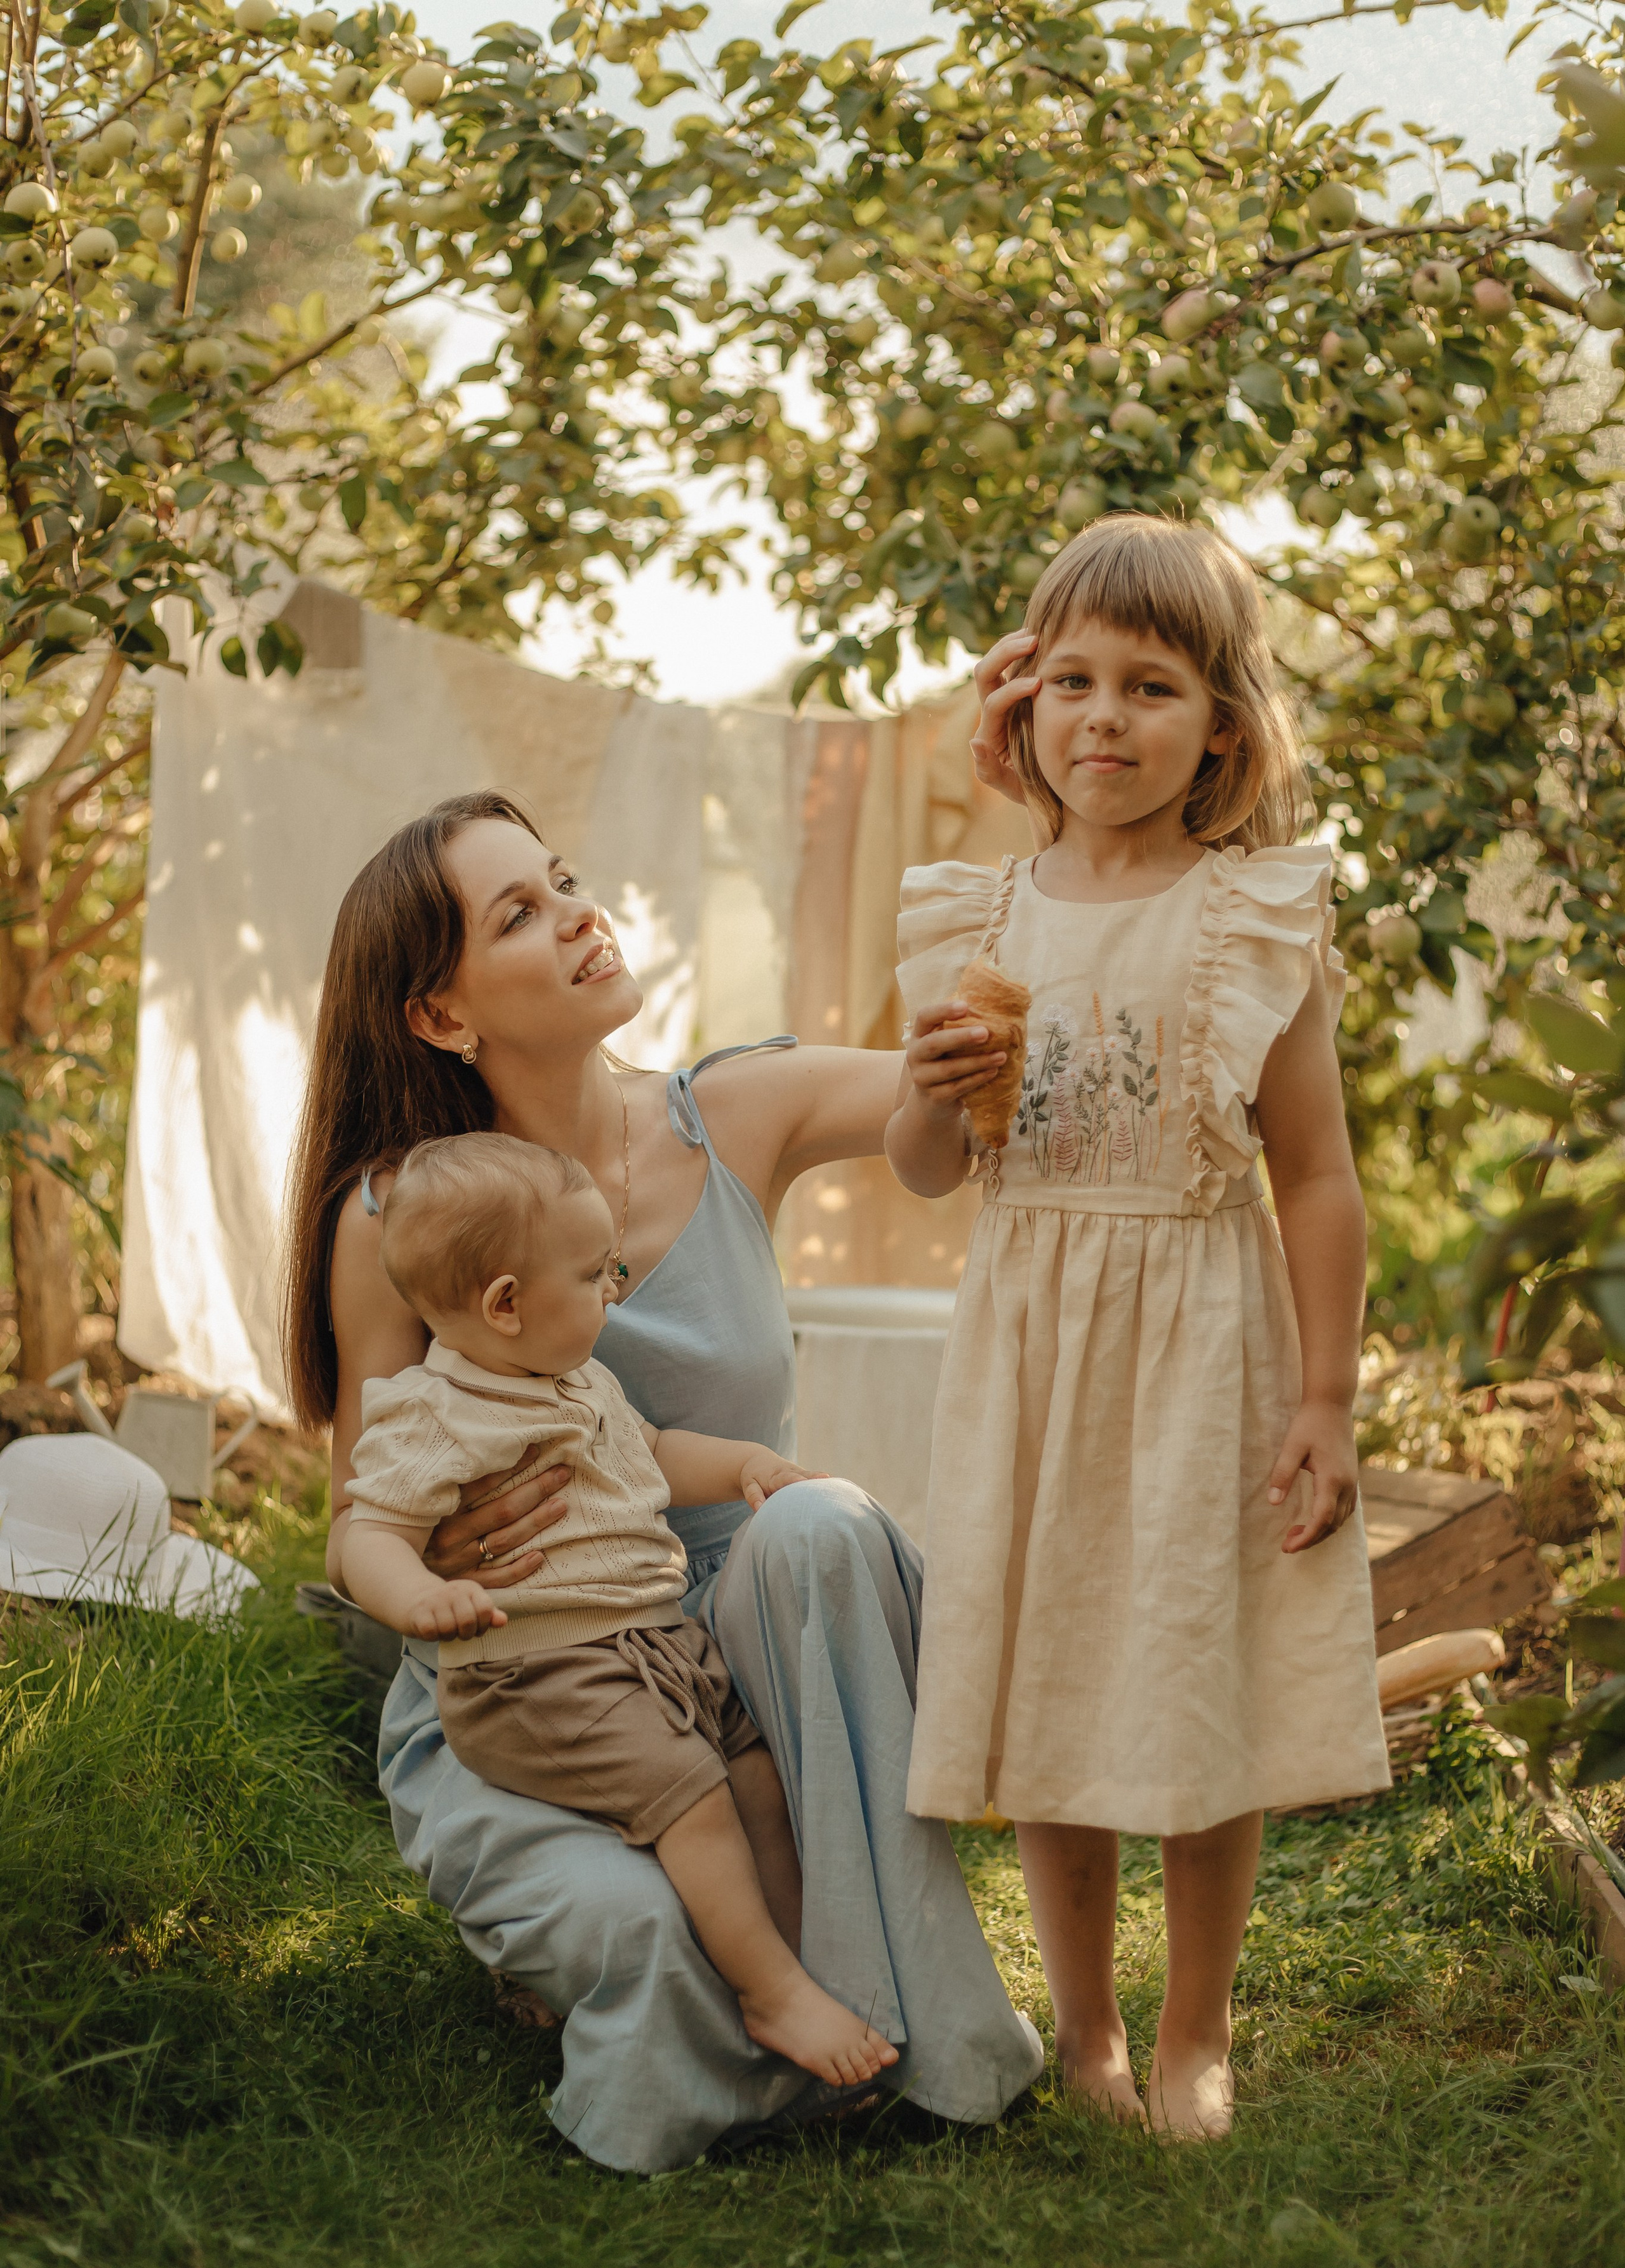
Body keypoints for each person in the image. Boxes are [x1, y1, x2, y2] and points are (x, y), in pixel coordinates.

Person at [281, 790, 1043, 2175]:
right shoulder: (397, 1222)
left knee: (817, 1519)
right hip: (536, 1680)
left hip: (750, 1650)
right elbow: (363, 1516)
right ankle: (714, 1969)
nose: (578, 912)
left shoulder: (734, 1109)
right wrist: (443, 1582)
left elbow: (965, 1102)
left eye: (562, 878)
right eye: (517, 913)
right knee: (647, 1936)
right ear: (442, 1018)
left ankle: (913, 2039)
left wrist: (1047, 801)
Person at [885, 515, 1390, 2142]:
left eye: (1151, 687)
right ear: (1023, 705)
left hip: (1197, 1340)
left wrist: (1323, 1394)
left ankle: (1195, 2028)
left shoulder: (1251, 917)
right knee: (1053, 1680)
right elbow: (925, 1171)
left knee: (1186, 1675)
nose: (1104, 719)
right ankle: (1084, 2022)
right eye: (1074, 683)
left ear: (1221, 726)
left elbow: (1312, 1180)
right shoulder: (977, 917)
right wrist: (931, 1094)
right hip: (1032, 1339)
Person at [343, 1131, 899, 2090]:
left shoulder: (582, 1382)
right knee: (697, 1806)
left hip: (656, 1650)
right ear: (505, 1304)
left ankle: (804, 1967)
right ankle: (771, 1994)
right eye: (598, 1274)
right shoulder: (436, 1413)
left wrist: (743, 1465)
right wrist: (422, 1595)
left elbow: (655, 1452)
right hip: (539, 1676)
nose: (614, 1291)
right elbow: (366, 1533)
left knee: (755, 1779)